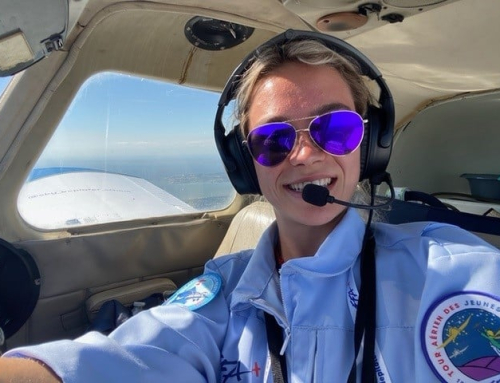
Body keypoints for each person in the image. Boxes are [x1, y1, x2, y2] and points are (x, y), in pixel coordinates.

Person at [2, 29, 500, 383]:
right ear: (246, 164)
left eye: (336, 128)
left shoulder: (451, 272)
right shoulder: (220, 295)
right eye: (273, 140)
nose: (305, 154)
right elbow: (121, 360)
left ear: (370, 144)